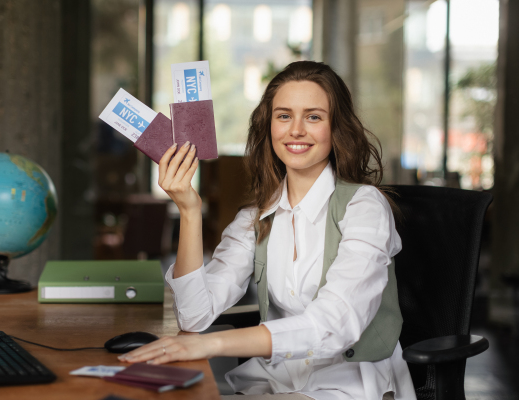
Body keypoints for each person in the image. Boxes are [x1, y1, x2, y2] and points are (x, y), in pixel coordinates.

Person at [118, 61, 417, 400]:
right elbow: (194, 315)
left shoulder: (364, 208)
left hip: (348, 384)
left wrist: (210, 344)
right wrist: (189, 210)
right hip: (277, 380)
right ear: (269, 126)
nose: (296, 130)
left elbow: (332, 326)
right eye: (284, 116)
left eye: (314, 117)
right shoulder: (255, 218)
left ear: (337, 128)